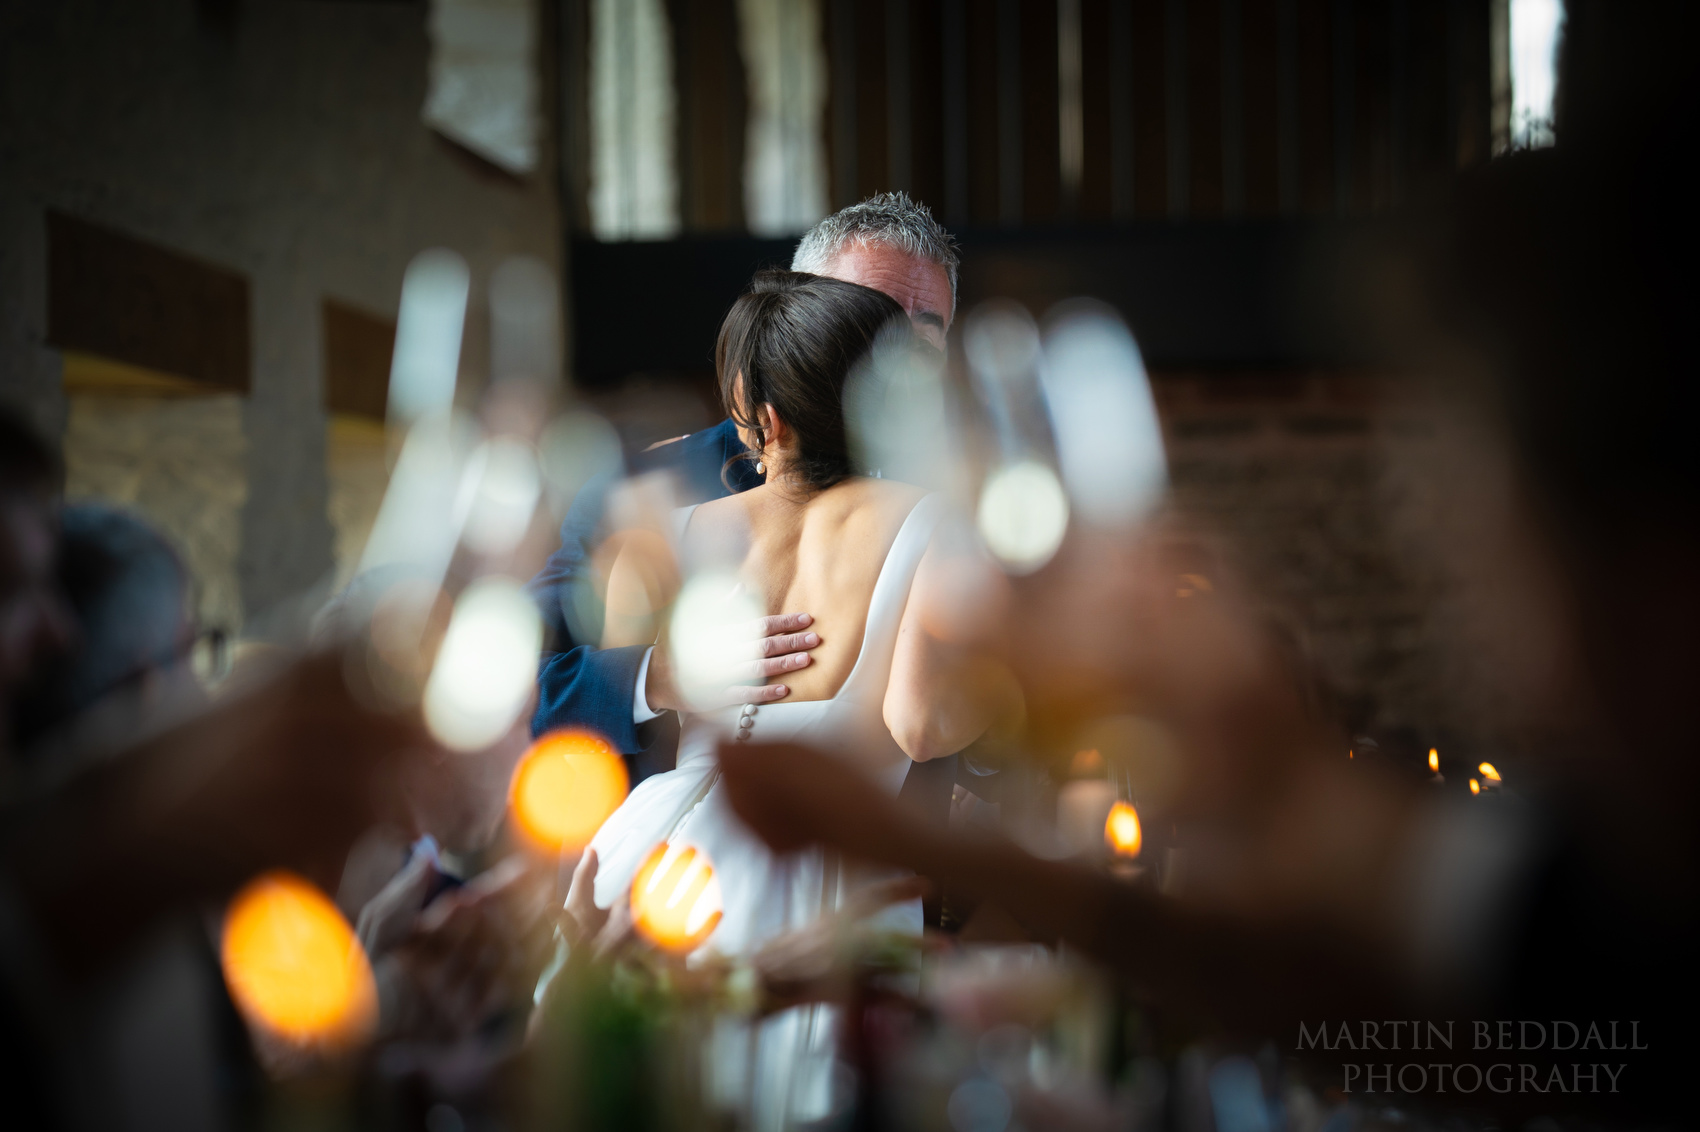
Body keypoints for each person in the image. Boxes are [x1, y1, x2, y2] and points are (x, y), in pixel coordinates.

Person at [582, 271, 1002, 1129]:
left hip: (659, 874)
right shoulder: (933, 523)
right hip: (828, 893)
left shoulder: (662, 533)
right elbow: (921, 727)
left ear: (762, 415)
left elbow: (615, 716)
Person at [526, 193, 960, 795]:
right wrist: (656, 677)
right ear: (799, 313)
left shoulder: (960, 501)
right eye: (869, 320)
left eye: (924, 338)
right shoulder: (648, 484)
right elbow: (517, 688)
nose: (898, 359)